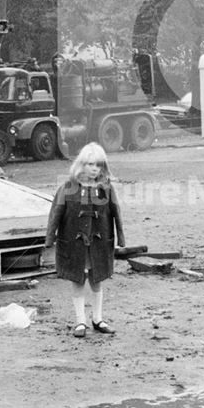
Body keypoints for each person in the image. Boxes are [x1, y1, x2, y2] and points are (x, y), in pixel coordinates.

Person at [44, 142, 125, 338]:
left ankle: (98, 319)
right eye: (90, 164)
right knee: (78, 280)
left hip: (99, 241)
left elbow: (116, 212)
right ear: (81, 165)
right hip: (74, 242)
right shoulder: (68, 187)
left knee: (97, 280)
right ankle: (80, 321)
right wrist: (50, 237)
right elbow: (56, 212)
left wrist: (120, 236)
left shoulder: (106, 188)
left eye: (98, 165)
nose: (94, 169)